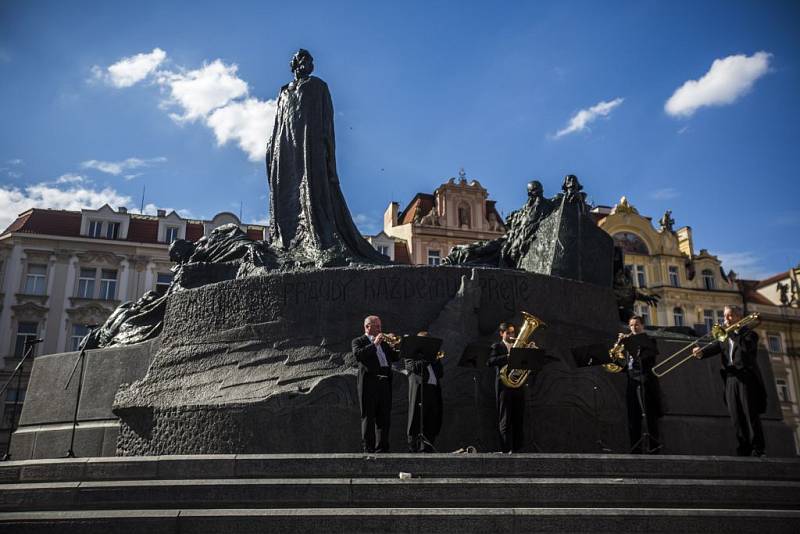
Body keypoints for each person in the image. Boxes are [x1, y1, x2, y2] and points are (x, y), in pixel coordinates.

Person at [266, 49, 386, 266]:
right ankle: (288, 241)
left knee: (313, 192)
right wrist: (270, 149)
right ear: (294, 64)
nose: (309, 63)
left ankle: (319, 240)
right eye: (304, 59)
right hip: (284, 150)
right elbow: (277, 124)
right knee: (286, 194)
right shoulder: (284, 92)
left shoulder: (318, 86)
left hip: (310, 147)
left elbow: (327, 123)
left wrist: (330, 160)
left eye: (310, 60)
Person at [693, 305, 767, 456]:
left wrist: (733, 332)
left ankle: (758, 448)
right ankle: (744, 448)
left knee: (749, 414)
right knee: (736, 415)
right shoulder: (725, 336)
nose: (725, 319)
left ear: (738, 317)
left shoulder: (749, 334)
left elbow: (747, 349)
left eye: (729, 315)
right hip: (730, 377)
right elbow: (716, 347)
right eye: (725, 315)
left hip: (746, 378)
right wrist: (700, 353)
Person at [352, 315, 400, 452]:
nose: (380, 329)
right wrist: (374, 344)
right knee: (368, 416)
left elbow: (395, 357)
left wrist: (395, 345)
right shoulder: (358, 341)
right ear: (367, 326)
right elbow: (358, 355)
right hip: (369, 383)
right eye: (377, 326)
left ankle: (382, 448)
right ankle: (369, 449)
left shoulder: (384, 343)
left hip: (384, 382)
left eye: (380, 326)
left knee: (384, 417)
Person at [621, 315, 662, 452]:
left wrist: (630, 344)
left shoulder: (650, 341)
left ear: (643, 326)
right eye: (631, 325)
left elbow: (647, 359)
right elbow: (626, 365)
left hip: (646, 382)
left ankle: (654, 449)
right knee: (633, 417)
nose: (634, 327)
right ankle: (635, 449)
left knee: (650, 418)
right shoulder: (626, 343)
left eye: (637, 324)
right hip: (632, 382)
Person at [487, 322, 525, 452]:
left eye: (513, 332)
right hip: (504, 386)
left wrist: (530, 352)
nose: (511, 335)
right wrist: (508, 357)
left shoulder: (519, 347)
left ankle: (517, 450)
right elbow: (490, 361)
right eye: (508, 333)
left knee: (518, 418)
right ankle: (505, 449)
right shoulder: (497, 346)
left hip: (518, 386)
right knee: (505, 419)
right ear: (501, 333)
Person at [404, 331, 444, 452]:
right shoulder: (411, 354)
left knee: (432, 420)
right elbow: (413, 368)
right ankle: (413, 448)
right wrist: (428, 358)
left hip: (433, 390)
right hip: (420, 391)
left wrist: (435, 360)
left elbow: (441, 373)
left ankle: (428, 448)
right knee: (416, 420)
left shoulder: (433, 357)